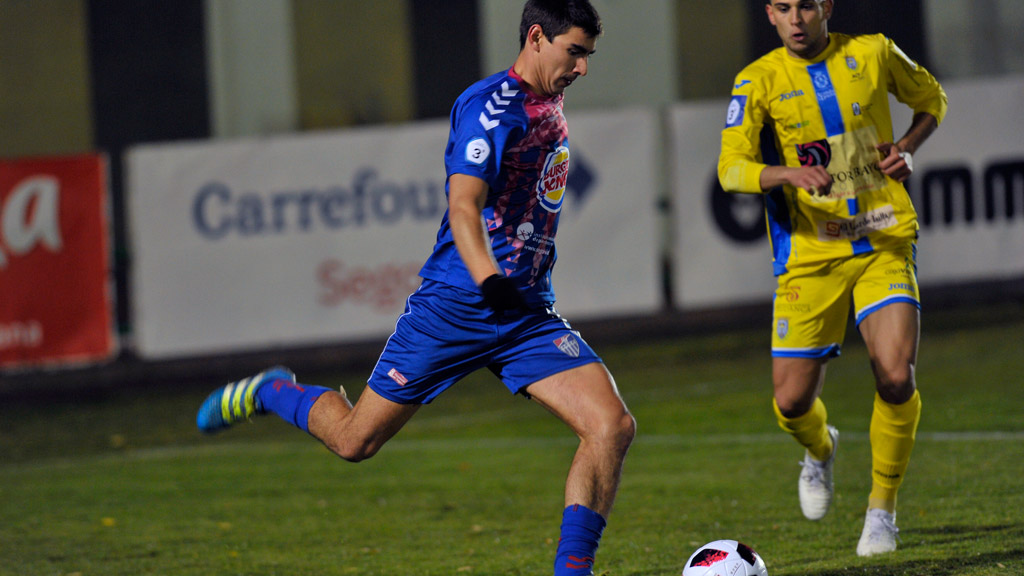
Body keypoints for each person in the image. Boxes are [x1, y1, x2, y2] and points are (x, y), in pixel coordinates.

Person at [196, 2, 634, 574]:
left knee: (611, 426)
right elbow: (462, 205)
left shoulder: (549, 99)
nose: (581, 68)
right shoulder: (489, 108)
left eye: (587, 55)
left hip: (524, 313)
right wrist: (489, 277)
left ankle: (573, 571)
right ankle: (272, 392)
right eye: (574, 52)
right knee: (356, 442)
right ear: (536, 37)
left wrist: (514, 287)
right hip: (457, 305)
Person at [717, 0, 947, 557]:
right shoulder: (758, 80)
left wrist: (909, 148)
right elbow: (731, 169)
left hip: (883, 238)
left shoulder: (873, 52)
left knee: (895, 376)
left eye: (807, 7)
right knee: (792, 402)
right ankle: (821, 450)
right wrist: (785, 172)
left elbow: (931, 99)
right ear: (770, 15)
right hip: (810, 255)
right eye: (783, 8)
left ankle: (881, 511)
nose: (796, 20)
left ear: (827, 8)